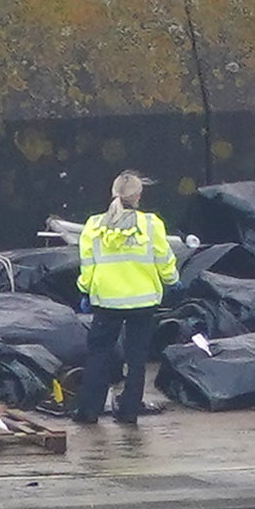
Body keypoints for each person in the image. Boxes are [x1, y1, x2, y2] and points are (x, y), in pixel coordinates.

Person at [72, 171, 175, 423]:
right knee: (137, 357)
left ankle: (88, 411)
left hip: (106, 301)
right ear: (139, 195)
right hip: (143, 301)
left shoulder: (94, 225)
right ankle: (129, 411)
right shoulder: (151, 224)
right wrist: (173, 280)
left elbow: (88, 264)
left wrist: (85, 290)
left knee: (99, 354)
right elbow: (164, 260)